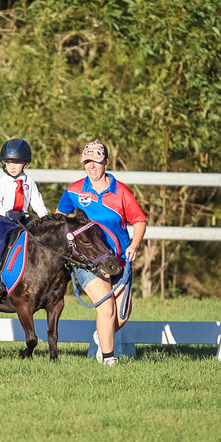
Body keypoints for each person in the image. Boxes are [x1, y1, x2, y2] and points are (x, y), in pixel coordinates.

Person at [55, 140, 146, 366]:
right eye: (87, 162)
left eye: (95, 161)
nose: (91, 166)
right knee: (106, 309)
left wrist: (134, 245)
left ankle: (101, 336)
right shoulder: (74, 191)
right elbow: (59, 218)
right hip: (88, 262)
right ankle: (108, 358)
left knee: (121, 315)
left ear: (105, 162)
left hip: (119, 259)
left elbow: (139, 220)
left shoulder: (121, 191)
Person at [0, 138, 49, 301]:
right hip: (4, 220)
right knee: (1, 241)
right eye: (8, 162)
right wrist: (6, 212)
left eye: (17, 162)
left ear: (25, 163)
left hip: (23, 219)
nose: (12, 166)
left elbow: (38, 203)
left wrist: (46, 220)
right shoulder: (3, 182)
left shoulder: (30, 183)